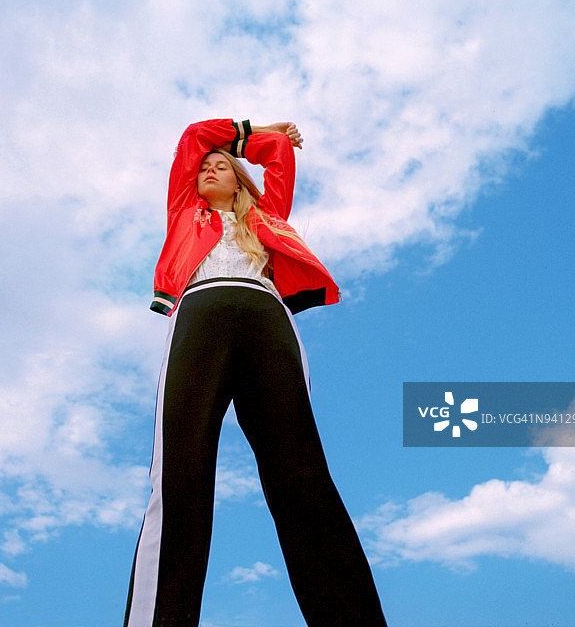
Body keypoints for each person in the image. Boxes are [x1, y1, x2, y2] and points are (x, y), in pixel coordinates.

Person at [123, 118, 388, 627]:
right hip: (200, 315)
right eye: (205, 167)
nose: (210, 169)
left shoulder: (266, 215)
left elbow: (280, 156)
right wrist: (250, 130)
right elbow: (194, 136)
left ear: (241, 183)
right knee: (180, 477)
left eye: (224, 166)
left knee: (302, 477)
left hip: (267, 318)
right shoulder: (185, 210)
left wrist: (270, 141)